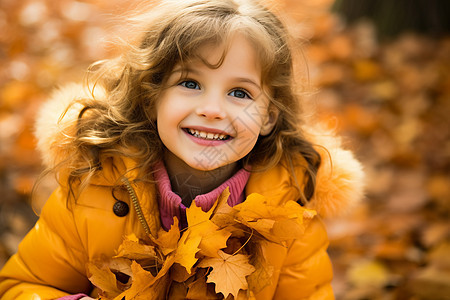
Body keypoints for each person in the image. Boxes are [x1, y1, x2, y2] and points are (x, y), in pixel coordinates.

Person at [0, 0, 365, 299]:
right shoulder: (96, 184)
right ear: (151, 95)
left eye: (240, 93)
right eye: (190, 83)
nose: (213, 109)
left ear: (269, 116)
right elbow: (22, 286)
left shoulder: (290, 208)